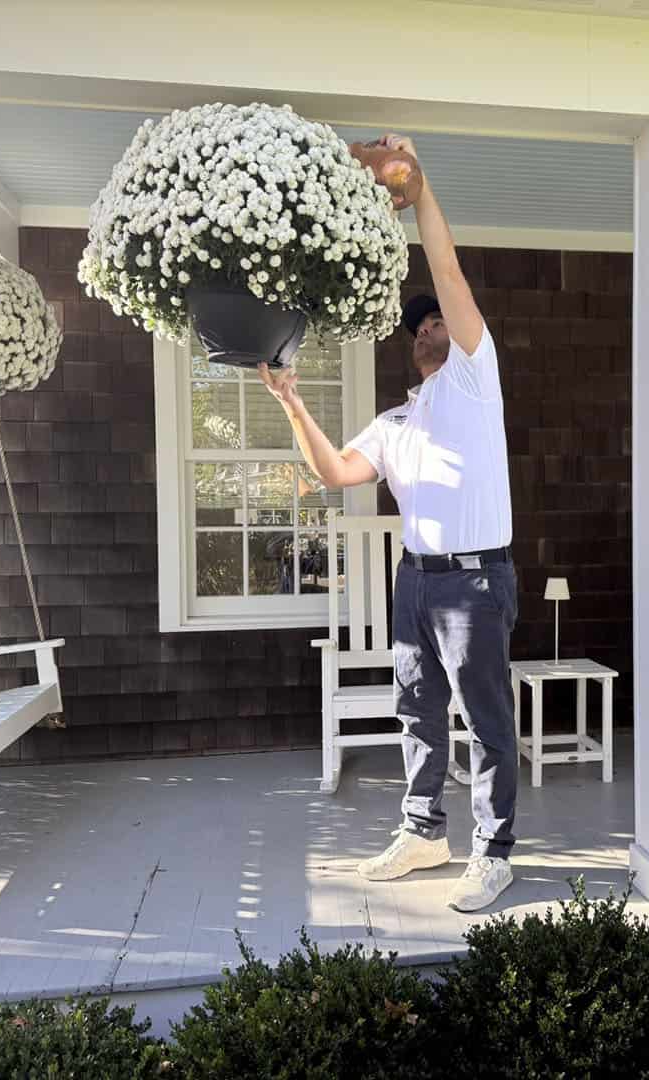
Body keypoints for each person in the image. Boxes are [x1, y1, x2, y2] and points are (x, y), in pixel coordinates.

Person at [258, 133, 517, 912]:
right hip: (415, 580)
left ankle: (494, 852)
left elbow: (447, 270)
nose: (427, 326)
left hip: (475, 577)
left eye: (434, 319)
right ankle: (424, 832)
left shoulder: (476, 375)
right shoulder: (397, 418)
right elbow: (336, 472)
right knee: (417, 708)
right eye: (418, 327)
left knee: (486, 718)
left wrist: (421, 193)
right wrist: (292, 403)